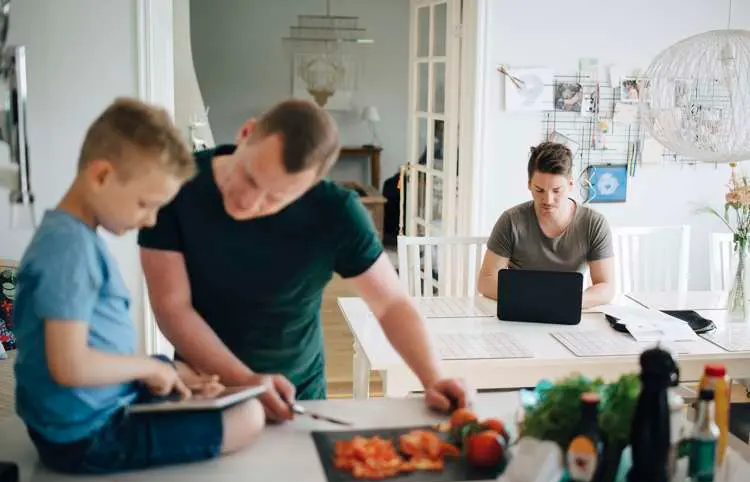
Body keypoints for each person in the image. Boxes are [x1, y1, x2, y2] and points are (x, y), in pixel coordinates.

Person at [138, 99, 471, 421]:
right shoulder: (176, 185)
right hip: (203, 388)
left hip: (297, 397)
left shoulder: (335, 212)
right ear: (245, 133)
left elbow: (392, 305)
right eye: (250, 178)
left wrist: (433, 378)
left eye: (275, 198)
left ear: (310, 187)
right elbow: (172, 306)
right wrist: (246, 380)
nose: (249, 203)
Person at [13, 98, 265, 475]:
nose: (150, 220)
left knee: (183, 372)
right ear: (101, 176)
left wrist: (161, 369)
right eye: (146, 204)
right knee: (249, 416)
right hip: (86, 436)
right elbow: (68, 365)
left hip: (87, 411)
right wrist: (148, 368)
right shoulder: (70, 249)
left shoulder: (70, 236)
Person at [477, 141, 615, 309]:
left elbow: (606, 288)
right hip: (521, 312)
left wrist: (569, 301)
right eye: (539, 190)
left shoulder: (594, 224)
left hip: (567, 311)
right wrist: (534, 299)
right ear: (529, 184)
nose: (548, 200)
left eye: (557, 190)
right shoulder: (511, 220)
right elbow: (485, 281)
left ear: (570, 185)